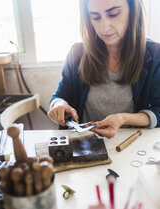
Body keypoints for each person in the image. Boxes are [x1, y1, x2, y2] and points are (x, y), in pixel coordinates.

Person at [48, 0, 160, 138]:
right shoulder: (77, 53)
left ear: (133, 12)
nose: (104, 27)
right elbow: (60, 96)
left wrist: (123, 118)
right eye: (95, 17)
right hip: (84, 142)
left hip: (132, 143)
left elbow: (159, 110)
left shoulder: (155, 54)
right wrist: (58, 105)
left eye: (113, 14)